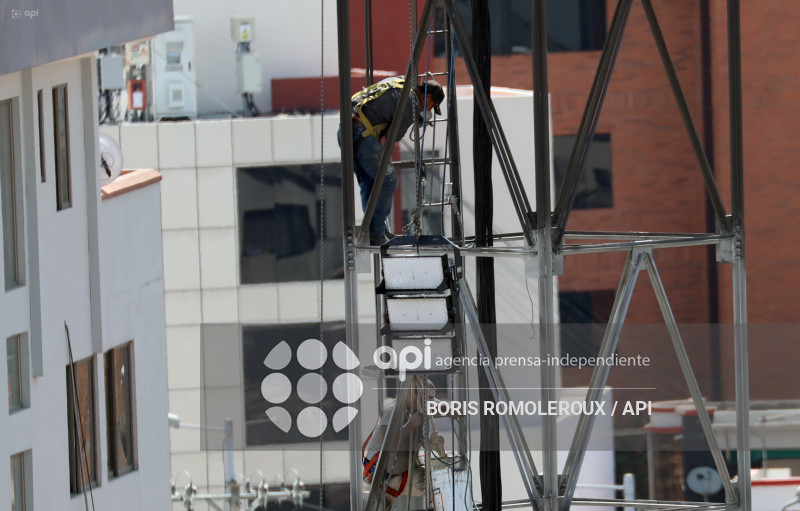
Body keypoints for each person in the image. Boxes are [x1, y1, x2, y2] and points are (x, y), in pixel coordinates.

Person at [340, 77, 445, 245]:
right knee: (388, 180)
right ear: (429, 98)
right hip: (362, 134)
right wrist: (412, 117)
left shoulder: (399, 83)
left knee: (371, 182)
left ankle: (374, 232)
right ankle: (375, 234)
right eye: (432, 106)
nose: (428, 109)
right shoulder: (411, 102)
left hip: (346, 131)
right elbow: (392, 136)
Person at [361, 376, 447, 508]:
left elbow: (438, 412)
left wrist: (432, 442)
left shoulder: (417, 411)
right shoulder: (393, 410)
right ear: (411, 394)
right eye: (424, 400)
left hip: (403, 474)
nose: (426, 405)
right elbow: (386, 443)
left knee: (438, 485)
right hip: (380, 477)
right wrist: (410, 425)